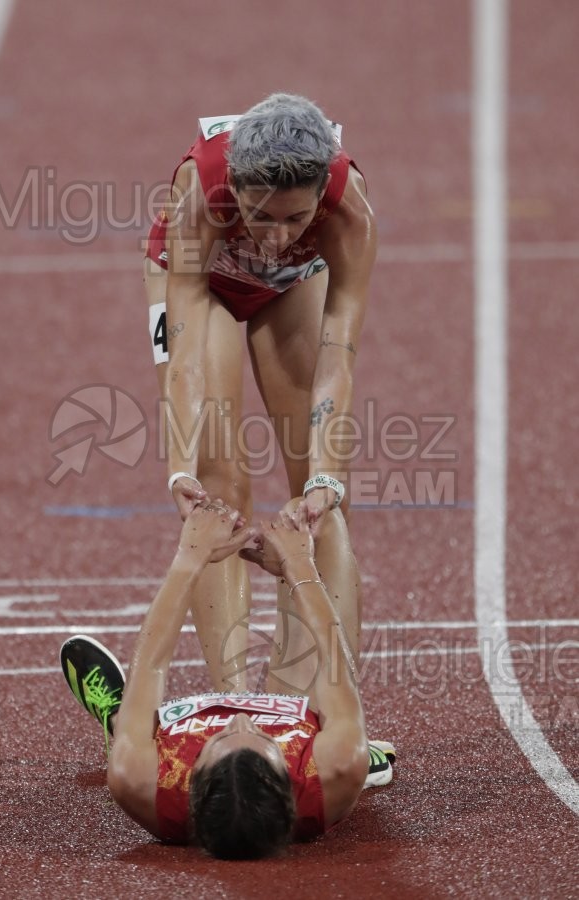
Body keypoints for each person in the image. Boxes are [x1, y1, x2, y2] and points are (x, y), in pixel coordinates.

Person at [143, 93, 377, 689]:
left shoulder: (350, 210)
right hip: (206, 282)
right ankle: (237, 705)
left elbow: (337, 356)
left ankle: (330, 705)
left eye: (296, 219)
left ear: (322, 192)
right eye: (261, 215)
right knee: (217, 485)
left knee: (322, 497)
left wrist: (327, 475)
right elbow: (187, 359)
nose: (275, 236)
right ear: (238, 190)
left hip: (295, 285)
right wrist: (178, 468)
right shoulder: (200, 193)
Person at [60, 499, 395, 859]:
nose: (241, 719)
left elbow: (152, 664)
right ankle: (350, 734)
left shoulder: (140, 778)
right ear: (289, 779)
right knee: (321, 525)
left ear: (193, 781)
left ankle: (119, 718)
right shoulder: (334, 767)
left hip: (172, 749)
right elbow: (334, 662)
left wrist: (191, 556)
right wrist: (297, 564)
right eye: (261, 739)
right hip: (311, 735)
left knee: (209, 511)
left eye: (219, 739)